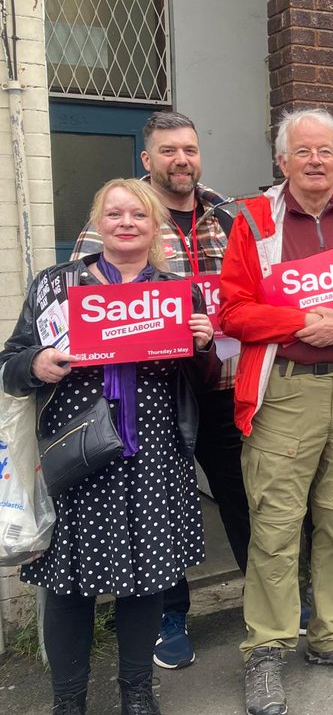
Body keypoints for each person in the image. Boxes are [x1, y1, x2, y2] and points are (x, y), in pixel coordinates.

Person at [3, 178, 214, 715]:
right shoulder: (56, 285)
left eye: (138, 215)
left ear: (154, 225)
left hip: (152, 456)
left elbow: (201, 378)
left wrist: (203, 344)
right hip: (78, 458)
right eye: (114, 213)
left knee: (146, 582)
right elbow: (11, 363)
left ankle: (137, 695)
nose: (126, 223)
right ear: (97, 222)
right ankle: (68, 703)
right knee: (68, 585)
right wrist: (36, 364)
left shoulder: (178, 291)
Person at [220, 108, 333, 715]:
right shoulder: (251, 219)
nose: (317, 161)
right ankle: (267, 649)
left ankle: (331, 636)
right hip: (287, 393)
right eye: (304, 152)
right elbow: (234, 312)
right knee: (275, 528)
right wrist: (304, 322)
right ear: (283, 161)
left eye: (326, 151)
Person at [70, 112, 246, 670]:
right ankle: (171, 615)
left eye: (189, 150)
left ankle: (266, 600)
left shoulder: (227, 214)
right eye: (168, 151)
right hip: (152, 396)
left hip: (220, 383)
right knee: (162, 510)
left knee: (242, 498)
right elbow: (83, 301)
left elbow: (251, 288)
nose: (182, 160)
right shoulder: (121, 215)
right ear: (148, 160)